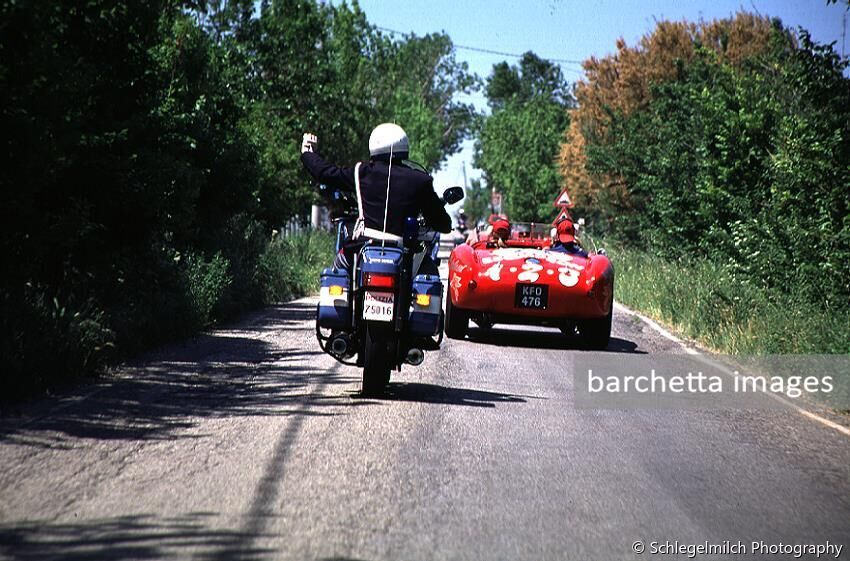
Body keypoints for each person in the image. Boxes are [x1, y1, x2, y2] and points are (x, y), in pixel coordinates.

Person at [300, 124, 451, 273]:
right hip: (404, 252)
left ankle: (333, 297)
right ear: (404, 147)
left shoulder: (362, 172)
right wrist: (443, 223)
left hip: (362, 247)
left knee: (337, 272)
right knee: (430, 277)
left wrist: (308, 152)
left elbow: (326, 173)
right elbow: (442, 223)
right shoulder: (420, 180)